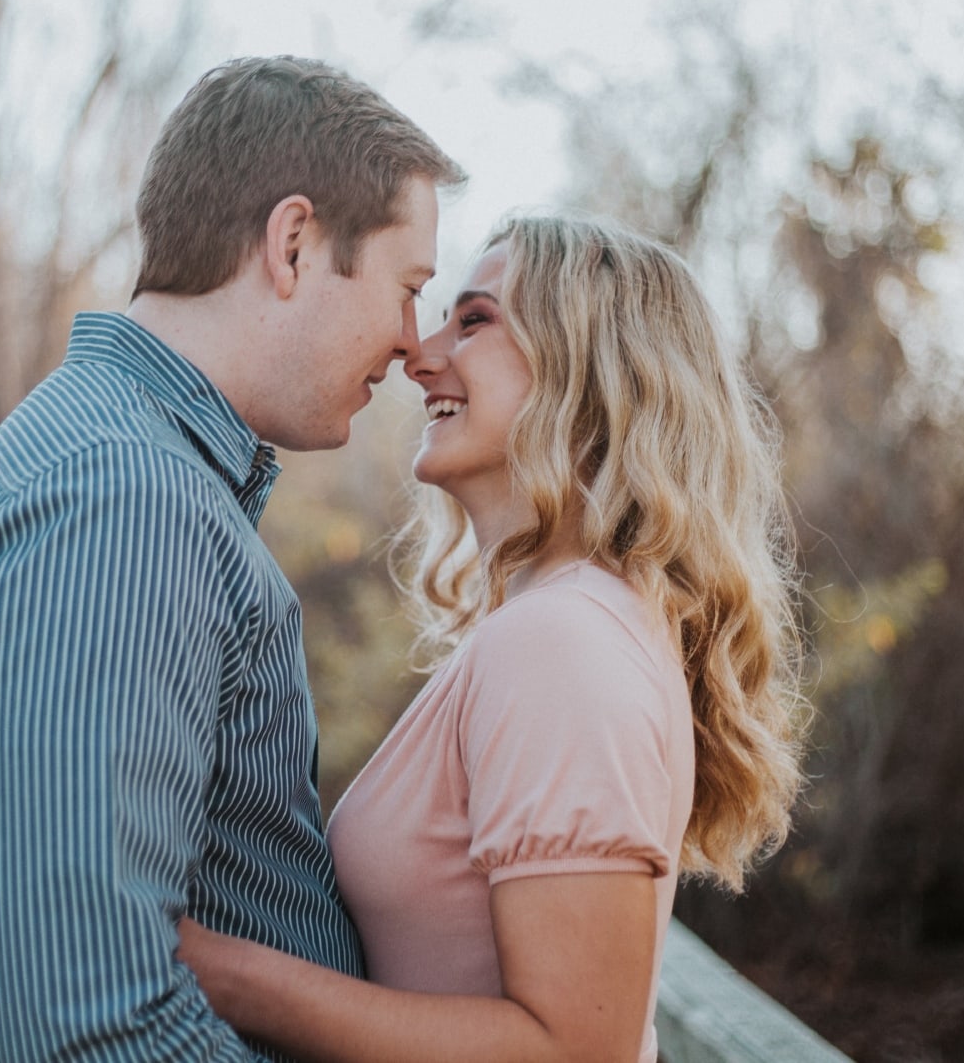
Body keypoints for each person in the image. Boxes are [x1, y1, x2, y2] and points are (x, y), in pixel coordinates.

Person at [0, 56, 465, 1061]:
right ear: (292, 244)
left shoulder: (137, 475)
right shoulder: (121, 497)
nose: (413, 345)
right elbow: (90, 1026)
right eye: (407, 288)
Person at [176, 213, 808, 1063]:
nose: (417, 352)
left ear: (590, 369)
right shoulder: (563, 626)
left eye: (472, 320)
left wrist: (215, 970)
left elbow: (574, 1047)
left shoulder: (564, 642)